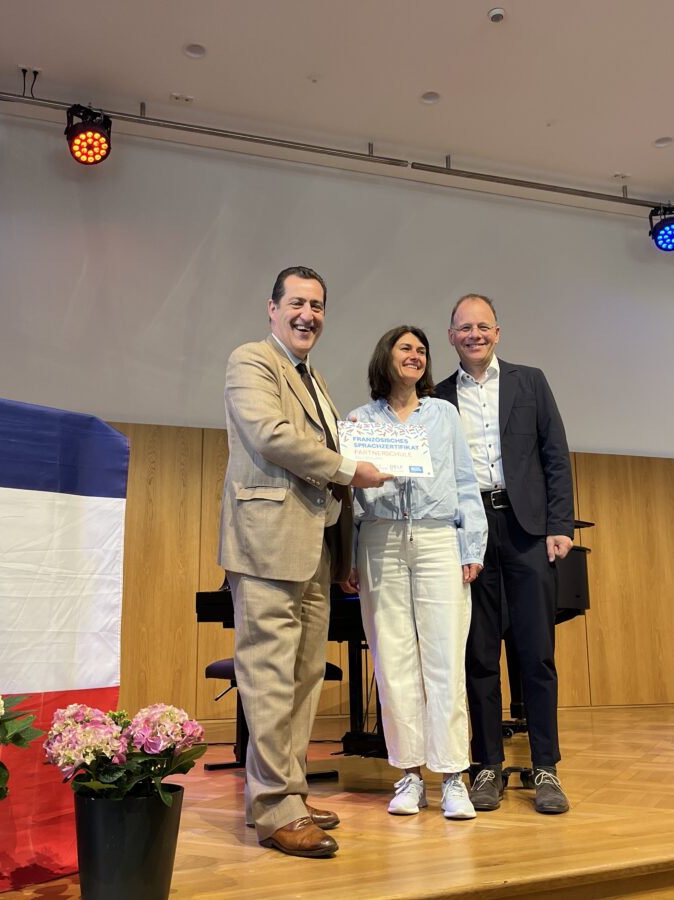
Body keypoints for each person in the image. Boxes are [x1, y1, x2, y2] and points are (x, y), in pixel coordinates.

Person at [218, 265, 392, 859]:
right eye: (296, 303)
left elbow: (327, 460)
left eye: (317, 306)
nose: (307, 315)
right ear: (272, 308)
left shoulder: (314, 380)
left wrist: (344, 545)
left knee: (302, 678)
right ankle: (274, 810)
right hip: (267, 545)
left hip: (315, 548)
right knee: (269, 678)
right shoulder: (252, 361)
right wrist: (348, 466)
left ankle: (287, 793)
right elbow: (270, 436)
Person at [434, 294, 575, 815]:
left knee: (536, 653)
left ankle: (546, 767)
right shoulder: (437, 396)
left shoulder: (529, 382)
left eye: (483, 326)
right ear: (451, 335)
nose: (474, 335)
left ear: (497, 332)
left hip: (527, 530)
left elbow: (554, 454)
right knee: (478, 655)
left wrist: (560, 524)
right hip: (468, 532)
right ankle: (487, 765)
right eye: (464, 328)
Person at [343, 326, 487, 820]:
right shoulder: (359, 420)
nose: (416, 355)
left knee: (445, 659)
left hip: (436, 537)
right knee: (392, 661)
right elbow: (351, 498)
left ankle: (453, 777)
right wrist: (349, 556)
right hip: (379, 539)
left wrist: (472, 544)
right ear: (385, 356)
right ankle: (408, 775)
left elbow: (465, 481)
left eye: (422, 350)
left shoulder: (443, 414)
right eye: (406, 348)